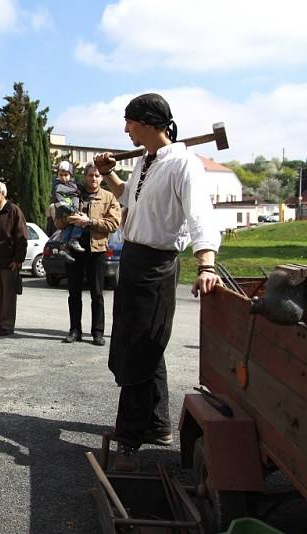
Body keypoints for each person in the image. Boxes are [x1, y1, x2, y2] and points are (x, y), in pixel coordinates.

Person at [94, 93, 222, 470]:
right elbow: (127, 199)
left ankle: (130, 439)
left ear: (149, 123)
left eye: (129, 122)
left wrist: (206, 266)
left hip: (157, 266)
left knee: (141, 347)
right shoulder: (147, 162)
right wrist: (106, 174)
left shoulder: (184, 164)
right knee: (146, 346)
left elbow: (200, 216)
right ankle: (158, 424)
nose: (125, 128)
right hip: (133, 262)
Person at [60, 162, 121, 346]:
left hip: (97, 249)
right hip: (73, 249)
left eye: (96, 175)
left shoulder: (108, 197)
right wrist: (69, 218)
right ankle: (74, 330)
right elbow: (58, 220)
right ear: (84, 176)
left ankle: (97, 332)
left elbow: (113, 223)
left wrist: (89, 222)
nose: (93, 178)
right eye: (90, 175)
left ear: (101, 178)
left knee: (97, 293)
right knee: (74, 292)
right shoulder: (72, 193)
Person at [0, 179, 28, 336]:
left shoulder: (13, 210)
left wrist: (18, 259)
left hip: (9, 260)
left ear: (2, 193)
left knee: (8, 295)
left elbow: (21, 236)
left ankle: (7, 325)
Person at [53, 161, 84, 262]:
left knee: (69, 226)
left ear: (70, 175)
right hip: (65, 212)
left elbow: (76, 192)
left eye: (66, 175)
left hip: (69, 211)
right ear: (57, 175)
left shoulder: (72, 185)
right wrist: (72, 211)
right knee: (79, 220)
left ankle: (64, 247)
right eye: (61, 175)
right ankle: (73, 240)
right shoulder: (58, 187)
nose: (63, 177)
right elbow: (59, 202)